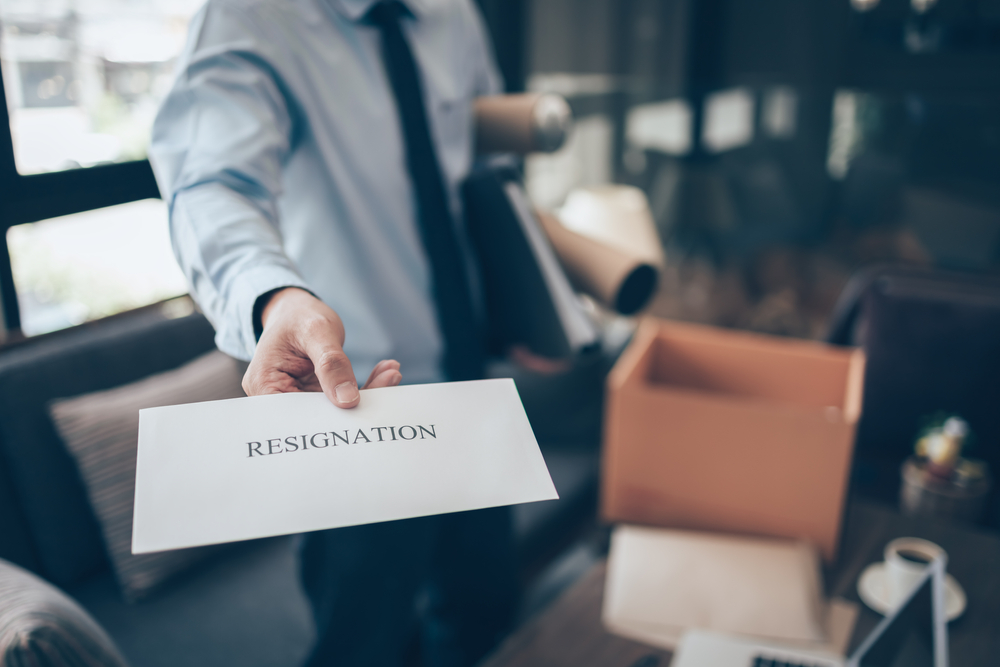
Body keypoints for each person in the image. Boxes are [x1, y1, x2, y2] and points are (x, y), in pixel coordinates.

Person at [149, 0, 518, 665]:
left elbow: (479, 175)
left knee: (485, 613)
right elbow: (211, 185)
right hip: (349, 403)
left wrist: (522, 306)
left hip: (474, 388)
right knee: (364, 642)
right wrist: (273, 297)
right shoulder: (251, 14)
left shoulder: (454, 14)